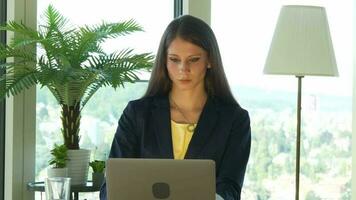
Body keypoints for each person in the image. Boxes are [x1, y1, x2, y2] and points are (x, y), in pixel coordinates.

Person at [100, 15, 251, 200]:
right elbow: (110, 188)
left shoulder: (235, 120)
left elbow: (230, 189)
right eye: (174, 59)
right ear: (164, 60)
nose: (183, 69)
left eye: (193, 59)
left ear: (209, 60)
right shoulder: (137, 114)